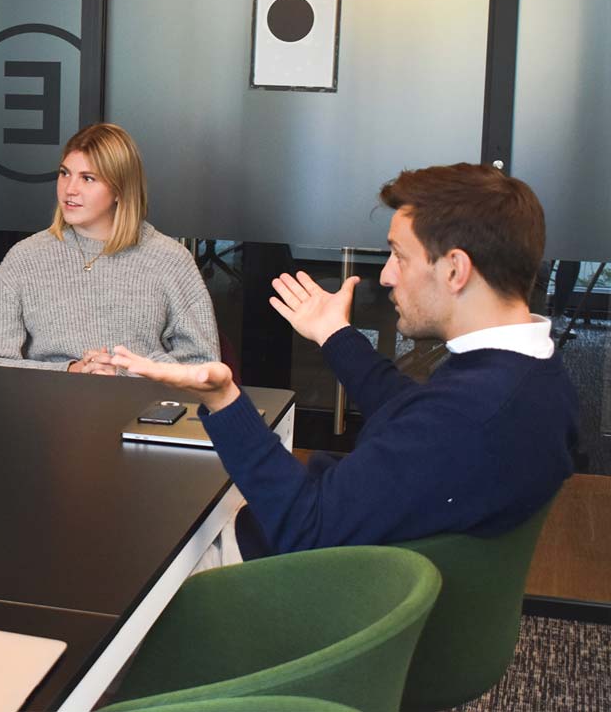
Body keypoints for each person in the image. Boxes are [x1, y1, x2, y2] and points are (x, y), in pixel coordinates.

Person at [111, 163, 578, 563]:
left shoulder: (470, 417)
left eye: (398, 256)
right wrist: (334, 334)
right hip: (340, 550)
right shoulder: (531, 374)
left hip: (276, 577)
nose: (387, 276)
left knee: (126, 527)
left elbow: (305, 527)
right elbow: (410, 411)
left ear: (455, 269)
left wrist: (223, 400)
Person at [0, 123, 220, 373]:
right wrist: (71, 371)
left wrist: (124, 373)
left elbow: (204, 366)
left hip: (138, 398)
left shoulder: (170, 260)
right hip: (48, 397)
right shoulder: (24, 258)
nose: (70, 189)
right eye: (65, 173)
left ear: (120, 190)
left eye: (87, 178)